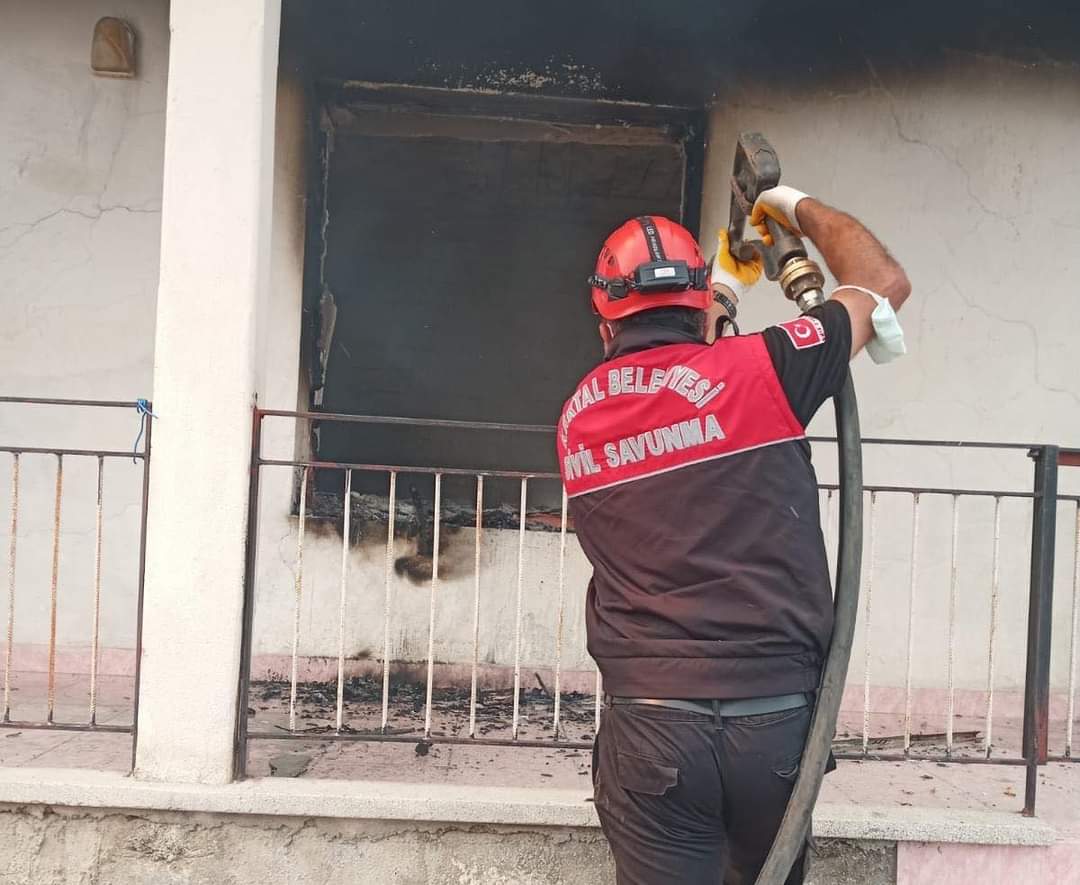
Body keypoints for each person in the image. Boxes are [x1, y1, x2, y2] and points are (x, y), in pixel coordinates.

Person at [556, 186, 910, 885]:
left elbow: (670, 395)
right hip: (775, 729)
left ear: (604, 323)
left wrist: (716, 305)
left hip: (652, 729)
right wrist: (791, 203)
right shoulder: (765, 369)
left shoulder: (575, 421)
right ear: (699, 311)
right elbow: (881, 282)